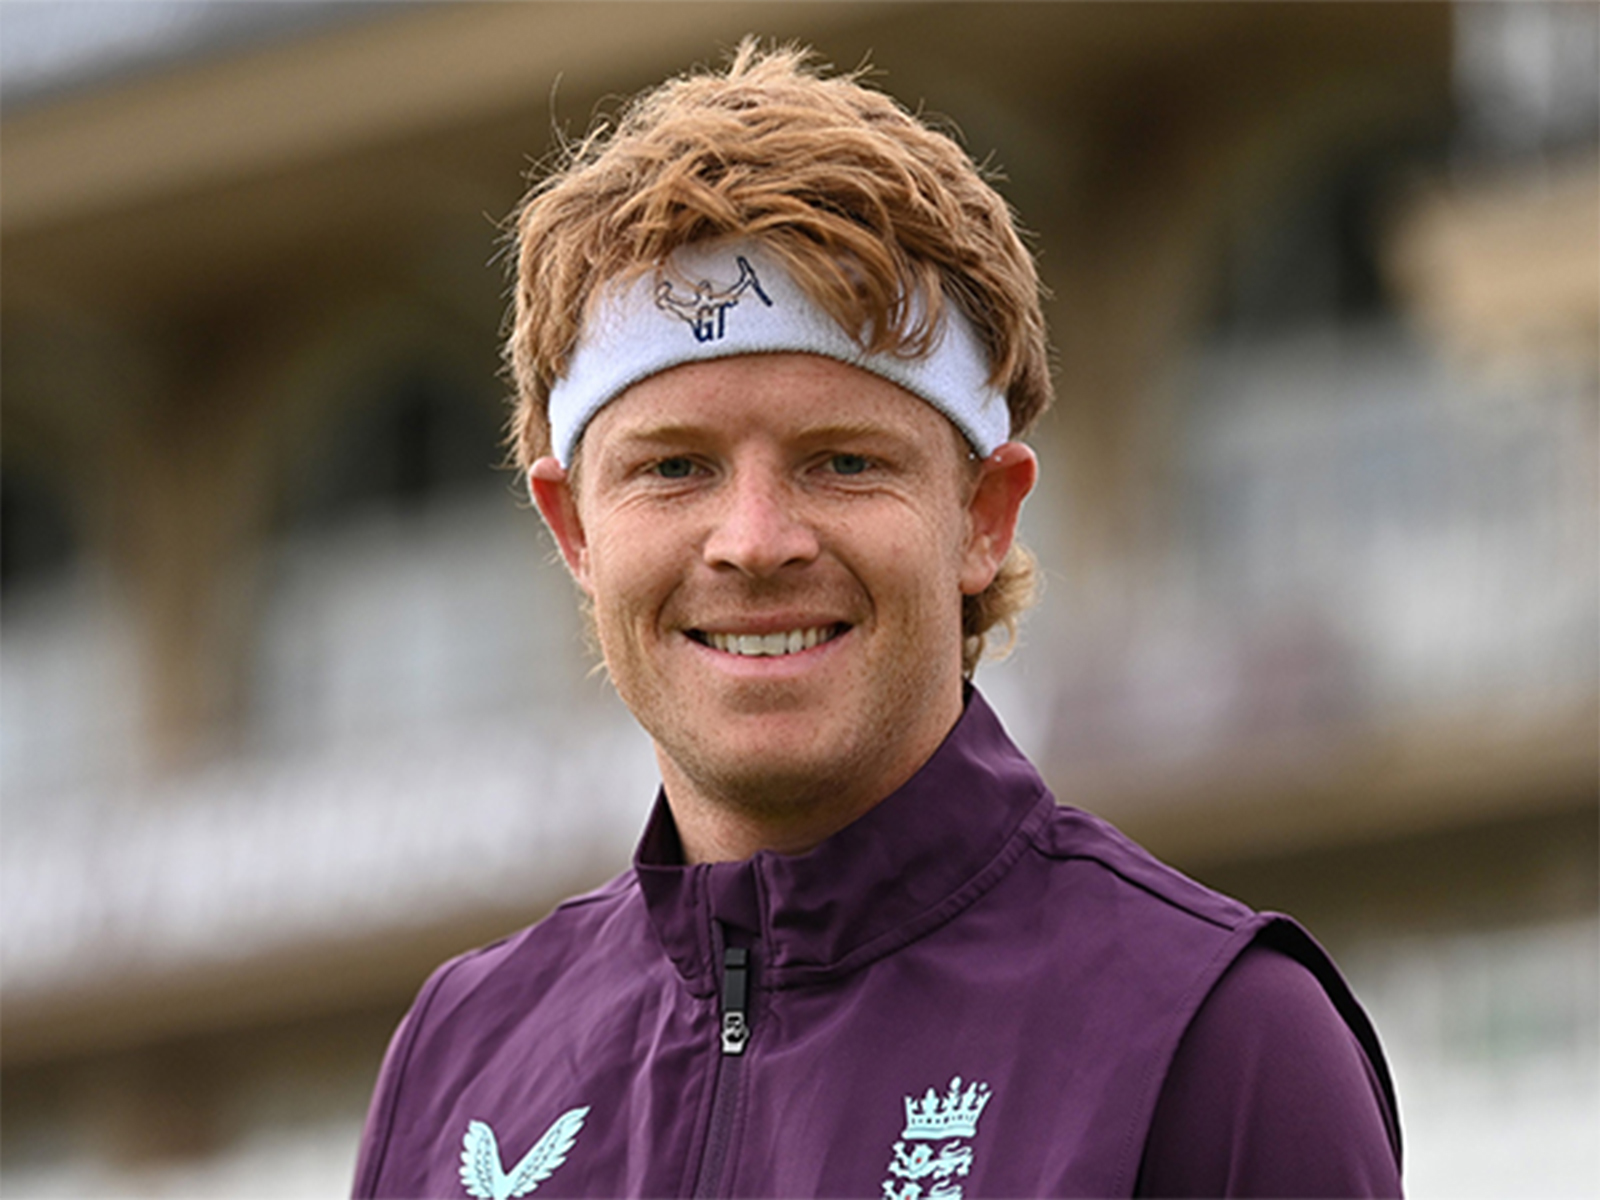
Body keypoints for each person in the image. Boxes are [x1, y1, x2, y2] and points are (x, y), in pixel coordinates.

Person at [353, 40, 1402, 1199]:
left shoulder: (1216, 1037)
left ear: (982, 516)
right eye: (675, 468)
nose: (754, 541)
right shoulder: (455, 1062)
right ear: (574, 532)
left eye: (843, 461)